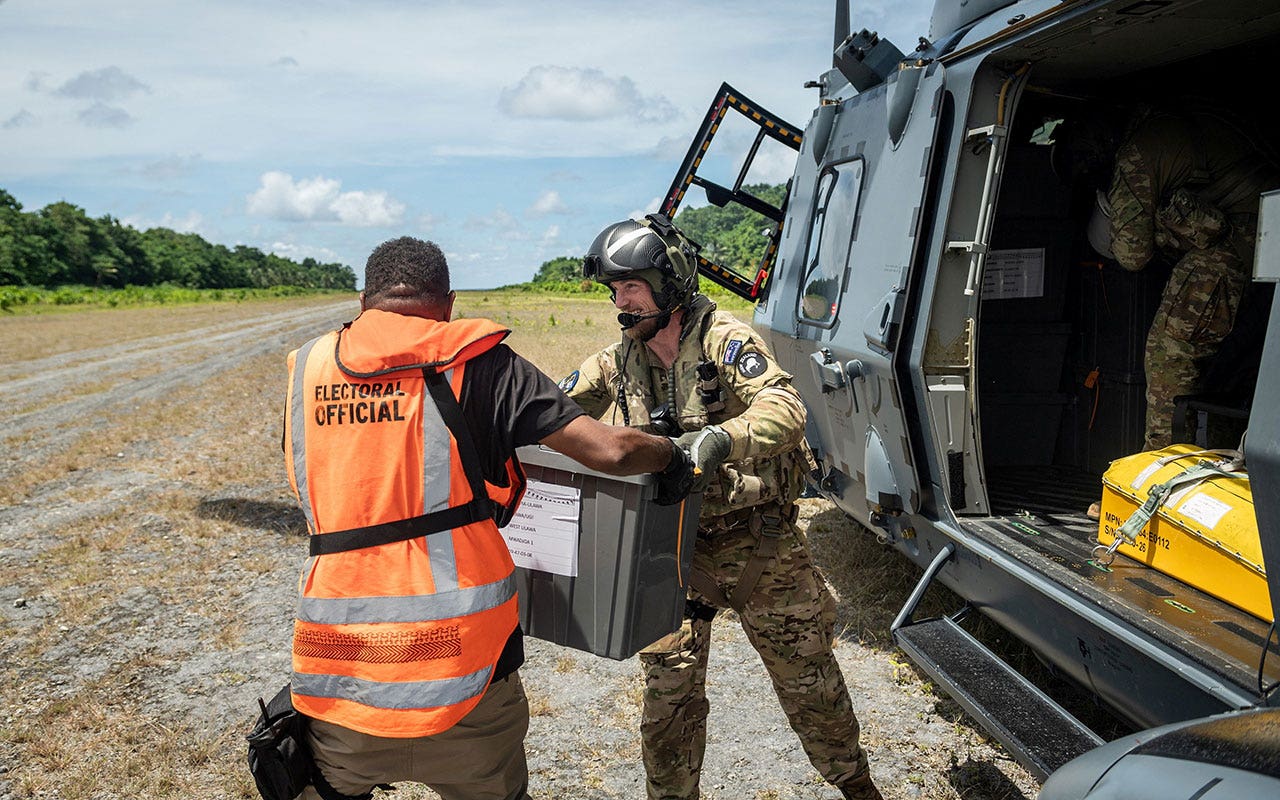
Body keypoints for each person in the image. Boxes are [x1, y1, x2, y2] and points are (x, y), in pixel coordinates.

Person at [280, 236, 693, 800]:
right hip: (465, 673)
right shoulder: (477, 360)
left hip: (338, 673)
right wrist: (673, 455)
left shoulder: (307, 369)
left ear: (362, 302)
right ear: (447, 305)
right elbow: (611, 451)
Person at [560, 214, 883, 800]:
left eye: (631, 287)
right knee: (668, 702)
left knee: (811, 686)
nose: (621, 304)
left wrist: (716, 441)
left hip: (756, 541)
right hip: (670, 547)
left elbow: (785, 406)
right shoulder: (620, 357)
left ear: (669, 283)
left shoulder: (725, 340)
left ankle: (857, 787)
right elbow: (554, 405)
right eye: (615, 291)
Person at [1088, 105, 1278, 450]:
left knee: (1170, 350)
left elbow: (1132, 255)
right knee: (1233, 363)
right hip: (1262, 234)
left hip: (1244, 237)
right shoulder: (1185, 122)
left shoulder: (1138, 151)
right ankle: (1225, 452)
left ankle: (1162, 463)